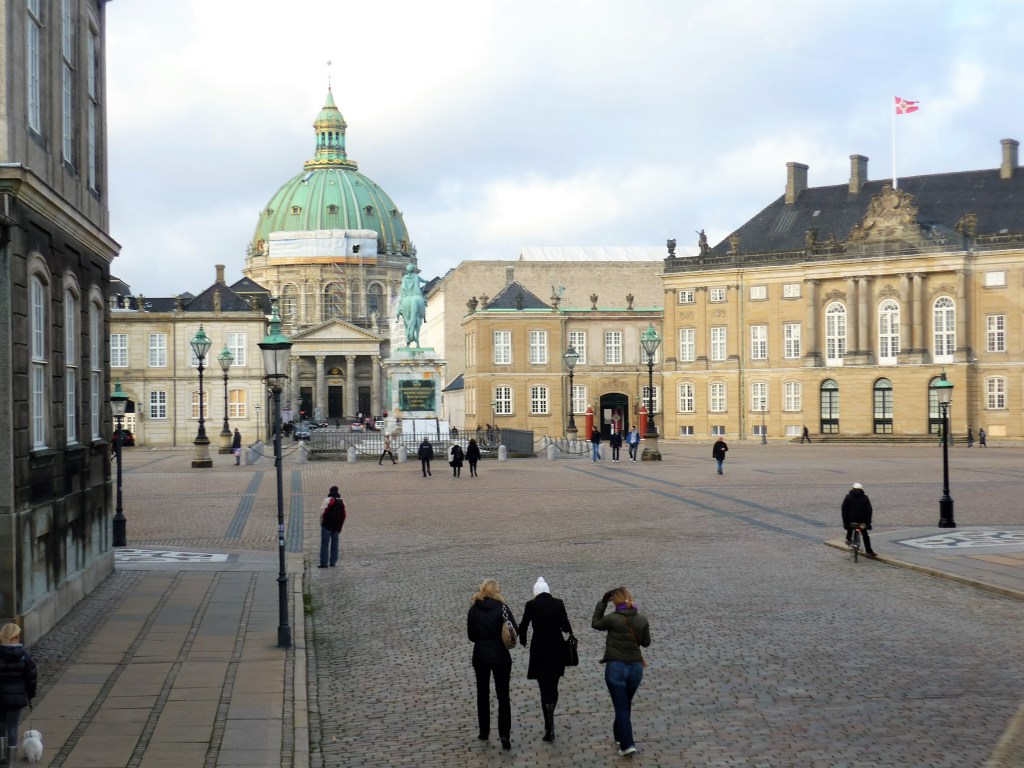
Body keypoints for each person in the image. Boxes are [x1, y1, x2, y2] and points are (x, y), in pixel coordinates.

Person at [592, 587, 651, 757]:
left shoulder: (612, 619)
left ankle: (627, 744)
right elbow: (646, 642)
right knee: (624, 705)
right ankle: (619, 735)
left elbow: (595, 623)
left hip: (616, 668)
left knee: (621, 707)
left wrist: (602, 602)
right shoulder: (641, 619)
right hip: (635, 669)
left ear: (615, 601)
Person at [519, 577, 572, 743]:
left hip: (539, 648)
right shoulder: (558, 603)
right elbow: (565, 626)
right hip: (556, 647)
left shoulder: (531, 605)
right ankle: (550, 720)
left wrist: (523, 640)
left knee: (544, 687)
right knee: (554, 684)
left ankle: (549, 727)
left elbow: (524, 625)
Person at [467, 579, 518, 750]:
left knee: (482, 693)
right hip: (501, 656)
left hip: (481, 656)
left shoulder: (474, 610)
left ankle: (484, 731)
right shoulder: (502, 607)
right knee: (503, 695)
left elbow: (471, 636)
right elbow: (513, 628)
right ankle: (504, 734)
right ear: (495, 591)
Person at [0, 622, 38, 764]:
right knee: (13, 727)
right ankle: (10, 762)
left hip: (1, 696)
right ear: (15, 637)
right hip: (17, 697)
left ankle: (1, 757)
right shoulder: (25, 655)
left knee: (1, 725)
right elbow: (31, 678)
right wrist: (30, 695)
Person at [842, 482, 876, 557]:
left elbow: (844, 510)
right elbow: (869, 510)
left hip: (851, 521)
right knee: (865, 535)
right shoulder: (865, 497)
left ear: (853, 488)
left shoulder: (848, 497)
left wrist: (845, 522)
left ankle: (848, 539)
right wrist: (868, 523)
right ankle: (869, 552)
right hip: (861, 522)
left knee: (850, 526)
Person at [318, 486, 346, 568]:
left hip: (327, 525)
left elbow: (322, 513)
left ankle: (324, 563)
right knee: (335, 544)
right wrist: (340, 526)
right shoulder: (342, 501)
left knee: (325, 543)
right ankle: (333, 562)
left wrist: (321, 523)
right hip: (337, 526)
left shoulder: (327, 500)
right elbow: (344, 515)